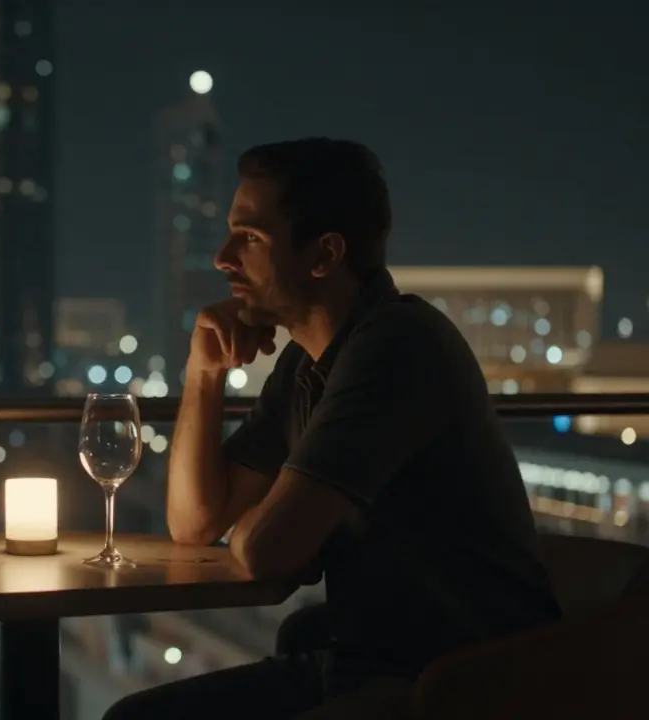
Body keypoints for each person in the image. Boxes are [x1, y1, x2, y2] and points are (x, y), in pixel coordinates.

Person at [106, 138, 561, 719]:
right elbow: (195, 523)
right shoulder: (305, 362)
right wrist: (204, 372)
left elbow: (269, 550)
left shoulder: (398, 347)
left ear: (323, 256)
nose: (222, 257)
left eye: (249, 238)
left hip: (464, 684)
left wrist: (278, 530)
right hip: (369, 667)